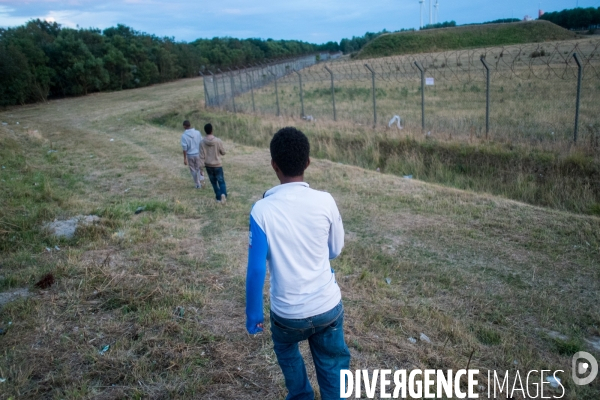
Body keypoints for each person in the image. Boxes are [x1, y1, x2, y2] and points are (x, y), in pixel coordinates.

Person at [245, 127, 350, 400]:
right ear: (307, 162)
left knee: (287, 354)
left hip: (287, 314)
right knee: (333, 363)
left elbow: (256, 269)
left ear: (273, 165)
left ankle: (301, 395)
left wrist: (253, 314)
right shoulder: (325, 201)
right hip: (327, 307)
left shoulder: (261, 210)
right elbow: (335, 250)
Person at [199, 123, 227, 204]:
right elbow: (223, 152)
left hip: (208, 165)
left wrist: (201, 168)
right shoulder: (218, 141)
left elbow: (201, 156)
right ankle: (223, 194)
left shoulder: (202, 143)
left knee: (214, 182)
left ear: (205, 131)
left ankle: (218, 198)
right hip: (218, 164)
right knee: (221, 181)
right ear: (212, 130)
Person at [180, 120, 204, 189]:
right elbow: (201, 142)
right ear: (190, 125)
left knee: (193, 169)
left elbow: (184, 148)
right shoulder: (198, 133)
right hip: (198, 153)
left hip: (190, 155)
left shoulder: (184, 136)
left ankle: (197, 184)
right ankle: (202, 181)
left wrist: (184, 158)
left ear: (184, 126)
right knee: (199, 168)